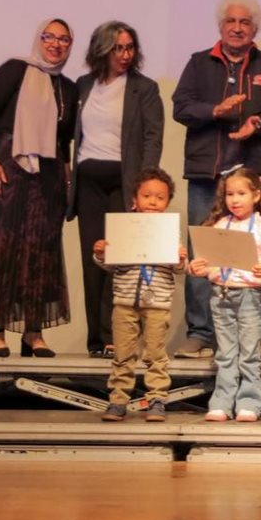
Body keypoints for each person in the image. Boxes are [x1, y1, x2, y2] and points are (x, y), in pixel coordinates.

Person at [172, 0, 261, 359]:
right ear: (221, 26)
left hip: (255, 173)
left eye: (245, 22)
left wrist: (258, 123)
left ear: (255, 29)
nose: (237, 28)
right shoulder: (198, 62)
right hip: (207, 173)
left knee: (260, 251)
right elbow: (180, 107)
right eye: (231, 21)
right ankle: (201, 333)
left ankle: (257, 332)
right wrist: (215, 111)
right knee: (203, 250)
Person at [0, 18, 78, 357]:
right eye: (49, 37)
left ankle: (33, 331)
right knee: (0, 247)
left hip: (48, 177)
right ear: (38, 39)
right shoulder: (14, 70)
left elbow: (64, 141)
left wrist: (67, 181)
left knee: (39, 251)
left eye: (64, 40)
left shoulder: (69, 88)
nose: (55, 44)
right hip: (6, 167)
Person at [69, 21, 164, 358]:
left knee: (120, 260)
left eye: (129, 48)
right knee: (93, 258)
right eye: (118, 49)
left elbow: (153, 137)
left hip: (124, 182)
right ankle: (95, 340)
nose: (125, 55)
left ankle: (115, 338)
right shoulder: (83, 85)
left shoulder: (144, 88)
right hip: (88, 182)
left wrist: (144, 186)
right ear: (102, 50)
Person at [94, 168, 187, 422]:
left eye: (160, 197)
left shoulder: (170, 231)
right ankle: (118, 399)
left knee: (155, 354)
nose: (153, 202)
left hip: (157, 303)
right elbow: (110, 265)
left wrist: (180, 259)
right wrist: (101, 254)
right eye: (147, 196)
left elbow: (181, 270)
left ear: (167, 202)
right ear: (135, 199)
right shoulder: (124, 228)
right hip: (124, 301)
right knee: (123, 354)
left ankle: (156, 399)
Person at [189, 168, 261, 423]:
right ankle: (222, 402)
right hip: (221, 294)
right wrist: (197, 267)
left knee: (249, 352)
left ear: (257, 195)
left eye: (241, 193)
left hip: (251, 295)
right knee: (225, 353)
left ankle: (249, 401)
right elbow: (207, 262)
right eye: (230, 194)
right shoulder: (220, 225)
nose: (235, 199)